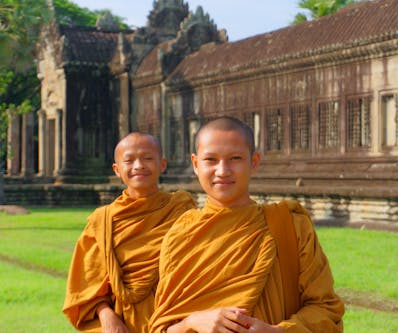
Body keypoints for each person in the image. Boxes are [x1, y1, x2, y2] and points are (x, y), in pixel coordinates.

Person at [149, 116, 344, 333]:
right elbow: (162, 327)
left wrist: (278, 331)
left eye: (235, 158)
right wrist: (191, 323)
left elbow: (326, 309)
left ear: (254, 162)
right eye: (211, 160)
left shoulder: (289, 225)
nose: (222, 170)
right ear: (196, 164)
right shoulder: (180, 235)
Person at [63, 132, 196, 333]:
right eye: (129, 160)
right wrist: (106, 315)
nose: (139, 166)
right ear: (117, 169)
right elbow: (86, 285)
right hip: (121, 325)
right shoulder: (103, 221)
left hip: (176, 321)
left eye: (147, 158)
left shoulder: (182, 210)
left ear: (162, 164)